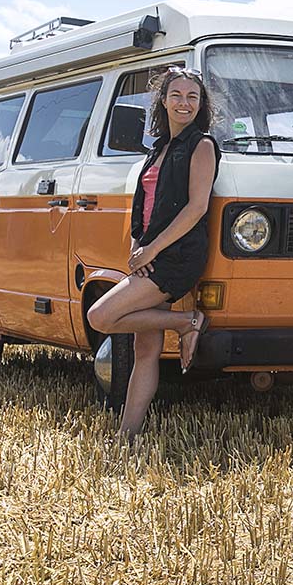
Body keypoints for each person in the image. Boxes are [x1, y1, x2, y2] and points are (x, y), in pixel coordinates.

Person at [87, 66, 221, 439]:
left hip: (176, 257)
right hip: (151, 254)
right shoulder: (159, 149)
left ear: (201, 104)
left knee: (101, 317)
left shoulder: (203, 145)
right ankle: (127, 434)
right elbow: (145, 207)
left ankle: (186, 322)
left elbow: (196, 208)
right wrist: (137, 245)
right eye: (176, 95)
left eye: (192, 97)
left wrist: (151, 251)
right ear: (162, 100)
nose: (184, 103)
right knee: (146, 350)